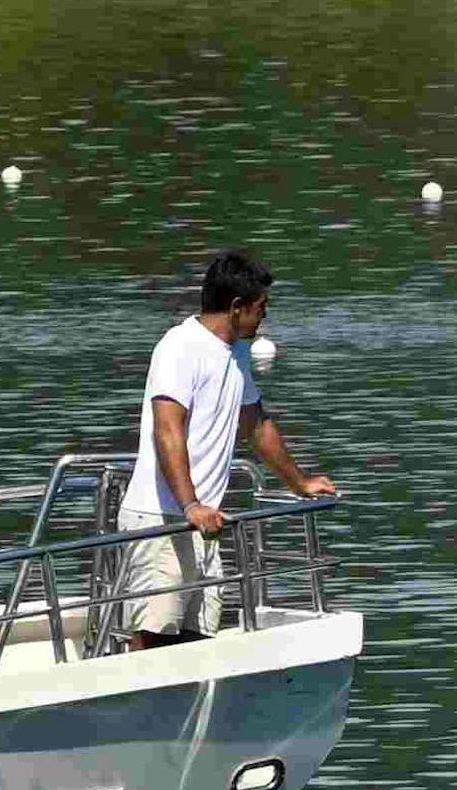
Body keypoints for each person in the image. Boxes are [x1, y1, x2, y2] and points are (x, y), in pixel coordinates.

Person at [128, 250, 333, 635]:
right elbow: (167, 429)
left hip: (206, 522)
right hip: (163, 517)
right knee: (154, 635)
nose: (266, 315)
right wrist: (190, 504)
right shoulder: (179, 346)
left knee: (200, 636)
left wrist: (299, 483)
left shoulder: (236, 352)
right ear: (237, 307)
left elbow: (256, 424)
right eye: (262, 307)